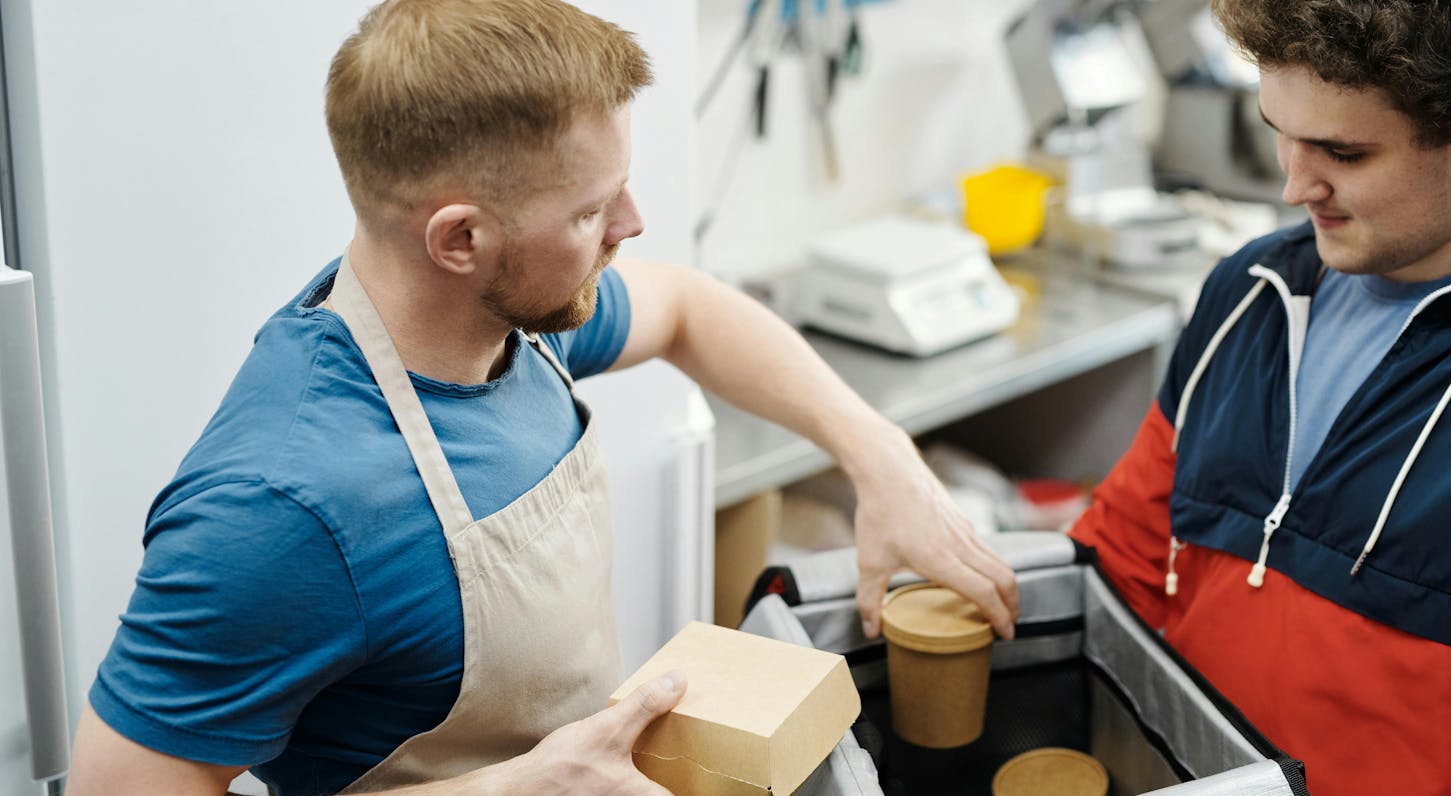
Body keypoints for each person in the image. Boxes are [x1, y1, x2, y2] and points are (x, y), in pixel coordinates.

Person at [64, 1, 1019, 794]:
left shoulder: (504, 319)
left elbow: (689, 309)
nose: (632, 225)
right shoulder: (285, 506)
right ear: (460, 240)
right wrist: (511, 789)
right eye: (593, 210)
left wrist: (880, 455)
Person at [1068, 1, 1451, 794]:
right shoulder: (1249, 293)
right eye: (1278, 130)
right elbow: (1121, 570)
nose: (1293, 186)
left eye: (1342, 153)